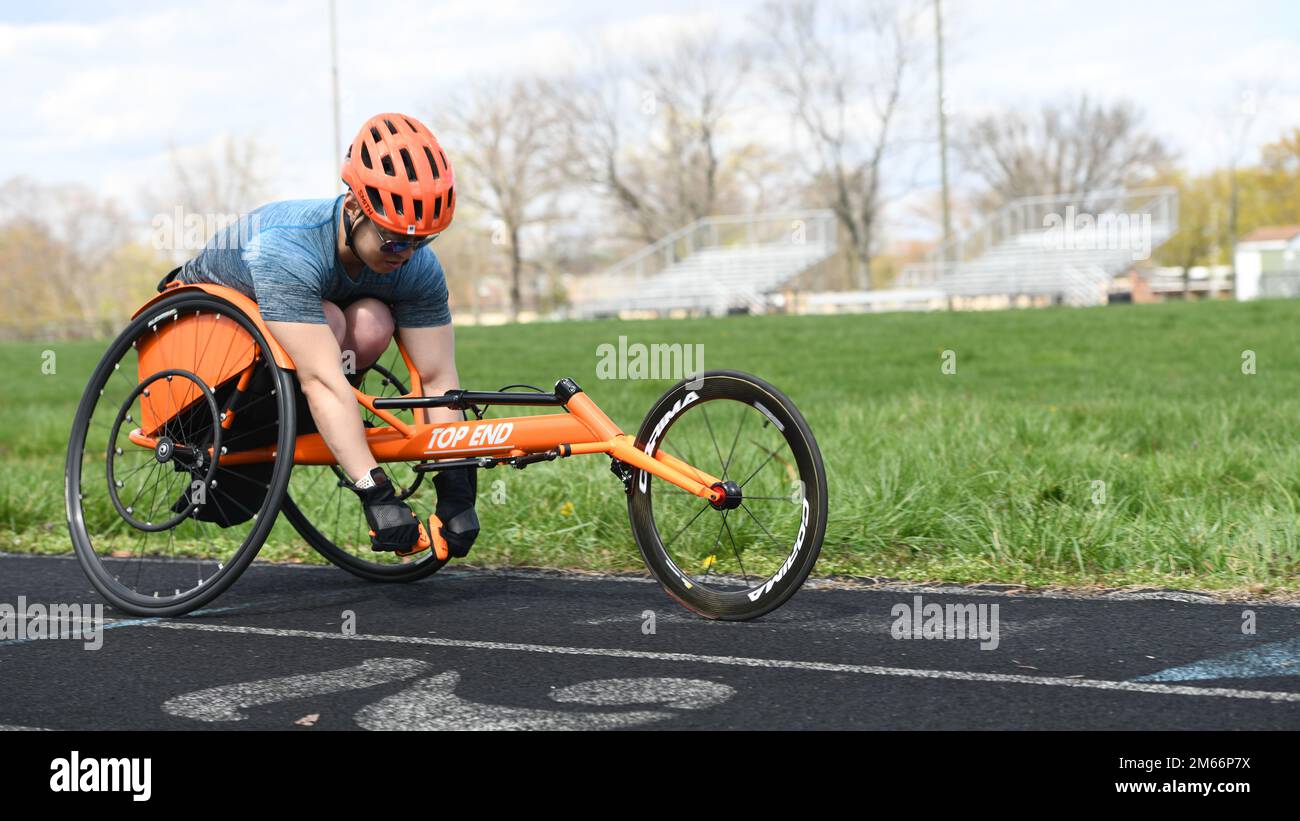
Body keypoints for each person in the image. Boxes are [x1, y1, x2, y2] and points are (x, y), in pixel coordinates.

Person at [175, 112, 478, 557]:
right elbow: (322, 379)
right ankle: (292, 420)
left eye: (422, 242)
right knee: (332, 322)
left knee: (373, 321)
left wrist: (457, 488)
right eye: (394, 242)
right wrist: (375, 494)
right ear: (355, 209)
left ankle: (314, 418)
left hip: (309, 329)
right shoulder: (289, 249)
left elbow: (437, 382)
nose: (408, 255)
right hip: (208, 328)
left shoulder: (415, 264)